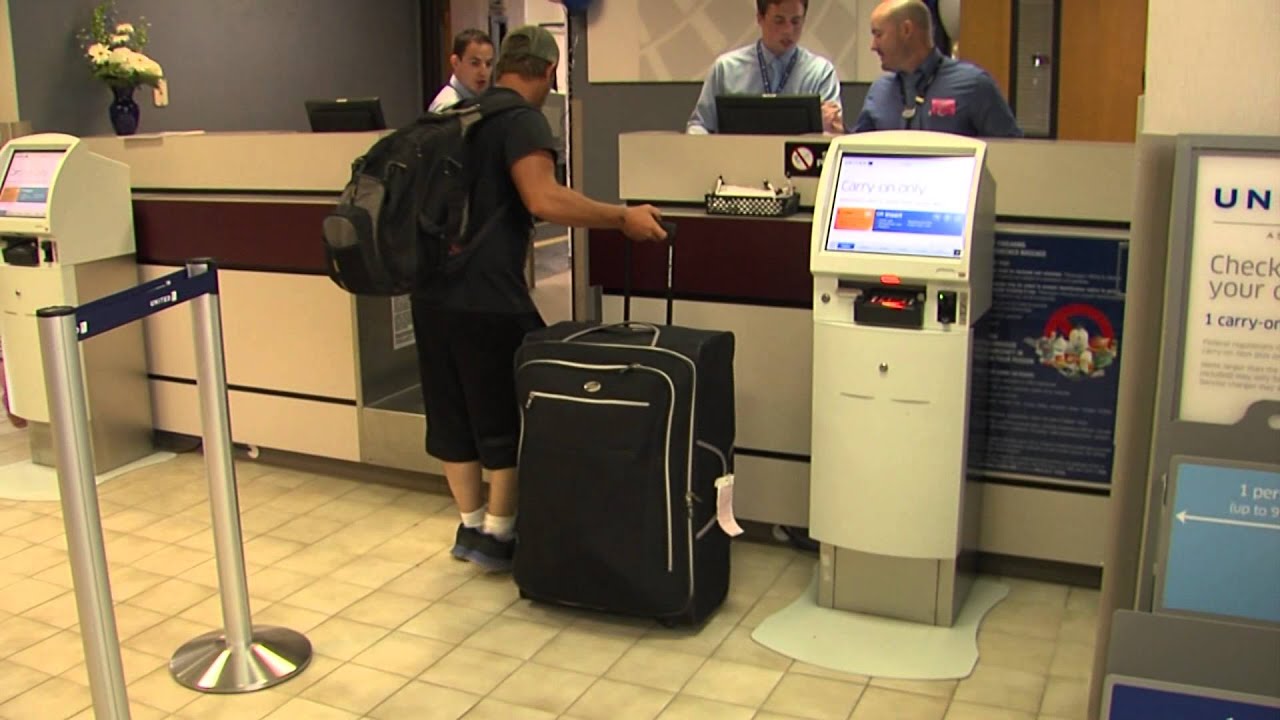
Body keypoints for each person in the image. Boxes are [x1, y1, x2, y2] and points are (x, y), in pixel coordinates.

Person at [411, 25, 668, 573]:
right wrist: (621, 217)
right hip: (488, 297)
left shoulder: (457, 116)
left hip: (431, 292)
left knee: (452, 416)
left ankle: (470, 525)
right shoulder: (522, 120)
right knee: (507, 414)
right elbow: (543, 197)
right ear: (549, 72)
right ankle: (501, 537)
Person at [851, 0, 1022, 137]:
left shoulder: (974, 85)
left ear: (906, 30)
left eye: (878, 34)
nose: (873, 46)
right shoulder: (879, 91)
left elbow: (1011, 153)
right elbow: (857, 150)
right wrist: (836, 132)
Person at [687, 0, 843, 134]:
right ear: (760, 18)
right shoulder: (726, 69)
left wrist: (828, 126)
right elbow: (699, 125)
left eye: (796, 21)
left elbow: (834, 132)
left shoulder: (820, 73)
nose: (788, 30)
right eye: (779, 20)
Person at [428, 29, 495, 112]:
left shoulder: (480, 99)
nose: (484, 72)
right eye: (475, 63)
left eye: (488, 64)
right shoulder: (448, 106)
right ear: (455, 63)